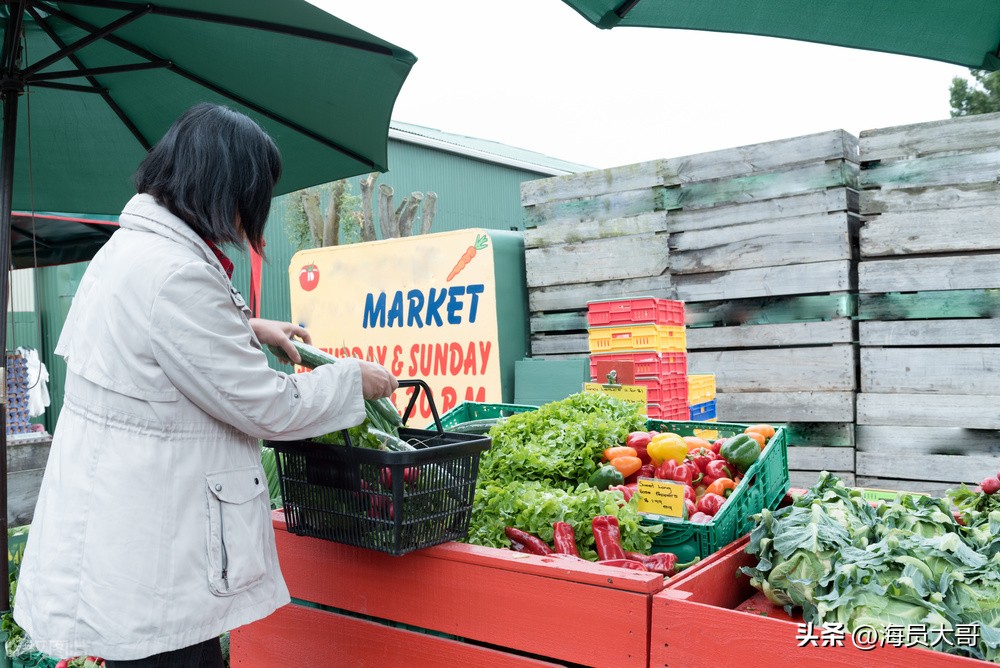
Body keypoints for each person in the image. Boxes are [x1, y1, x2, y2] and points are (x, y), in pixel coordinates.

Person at [13, 103, 398, 666]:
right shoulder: (178, 274)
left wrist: (249, 327)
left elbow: (156, 340)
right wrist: (349, 381)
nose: (250, 217)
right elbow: (267, 407)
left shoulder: (132, 248)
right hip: (157, 552)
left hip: (128, 529)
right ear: (225, 190)